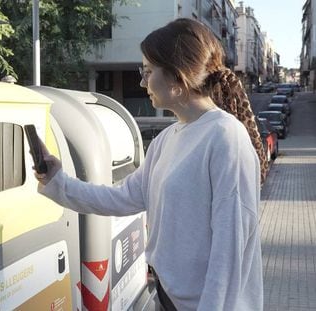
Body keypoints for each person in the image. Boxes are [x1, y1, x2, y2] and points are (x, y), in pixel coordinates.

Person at [34, 18, 264, 311]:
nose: (142, 82)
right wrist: (57, 181)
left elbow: (230, 252)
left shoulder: (225, 137)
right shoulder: (166, 140)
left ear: (177, 77)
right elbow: (121, 198)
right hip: (168, 299)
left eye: (148, 71)